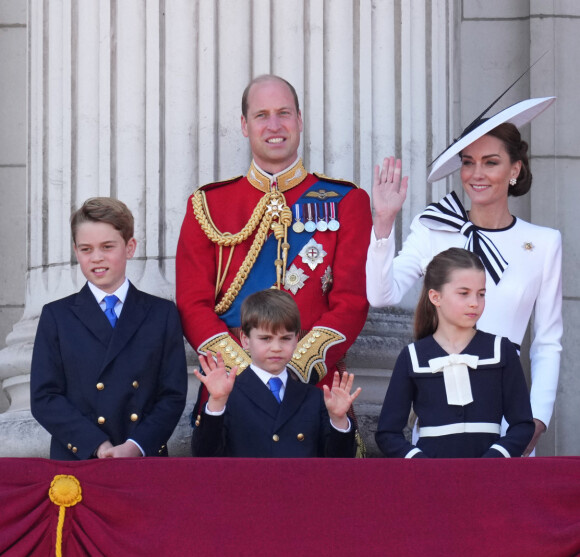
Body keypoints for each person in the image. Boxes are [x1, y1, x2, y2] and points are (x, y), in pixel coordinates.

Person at [366, 97, 561, 456]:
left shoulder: (545, 243)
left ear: (515, 169)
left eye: (491, 162)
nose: (476, 174)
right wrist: (383, 224)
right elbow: (382, 295)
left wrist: (536, 420)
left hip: (509, 417)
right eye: (468, 163)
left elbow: (547, 341)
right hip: (440, 414)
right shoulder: (433, 227)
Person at [176, 74, 372, 405]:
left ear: (299, 120)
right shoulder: (207, 205)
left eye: (283, 113)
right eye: (261, 115)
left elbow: (351, 303)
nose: (274, 125)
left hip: (313, 390)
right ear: (244, 125)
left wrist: (294, 369)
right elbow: (192, 304)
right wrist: (243, 373)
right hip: (231, 389)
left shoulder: (346, 201)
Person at [30, 197, 188, 460]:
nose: (96, 258)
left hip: (143, 459)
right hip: (80, 460)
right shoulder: (56, 316)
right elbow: (45, 397)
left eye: (107, 246)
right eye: (86, 249)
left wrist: (136, 445)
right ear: (75, 251)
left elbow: (172, 395)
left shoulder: (162, 314)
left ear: (130, 247)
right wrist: (96, 444)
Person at [375, 248, 534, 458]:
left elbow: (523, 424)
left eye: (481, 294)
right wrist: (421, 464)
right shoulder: (412, 357)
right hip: (432, 482)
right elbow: (387, 433)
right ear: (435, 297)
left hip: (490, 481)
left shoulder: (501, 350)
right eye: (464, 293)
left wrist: (495, 459)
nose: (474, 303)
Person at [191, 289, 360, 457]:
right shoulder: (227, 395)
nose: (276, 348)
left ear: (296, 340)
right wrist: (216, 404)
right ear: (245, 340)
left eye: (285, 338)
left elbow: (339, 466)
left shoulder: (315, 398)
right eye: (266, 339)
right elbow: (204, 456)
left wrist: (338, 420)